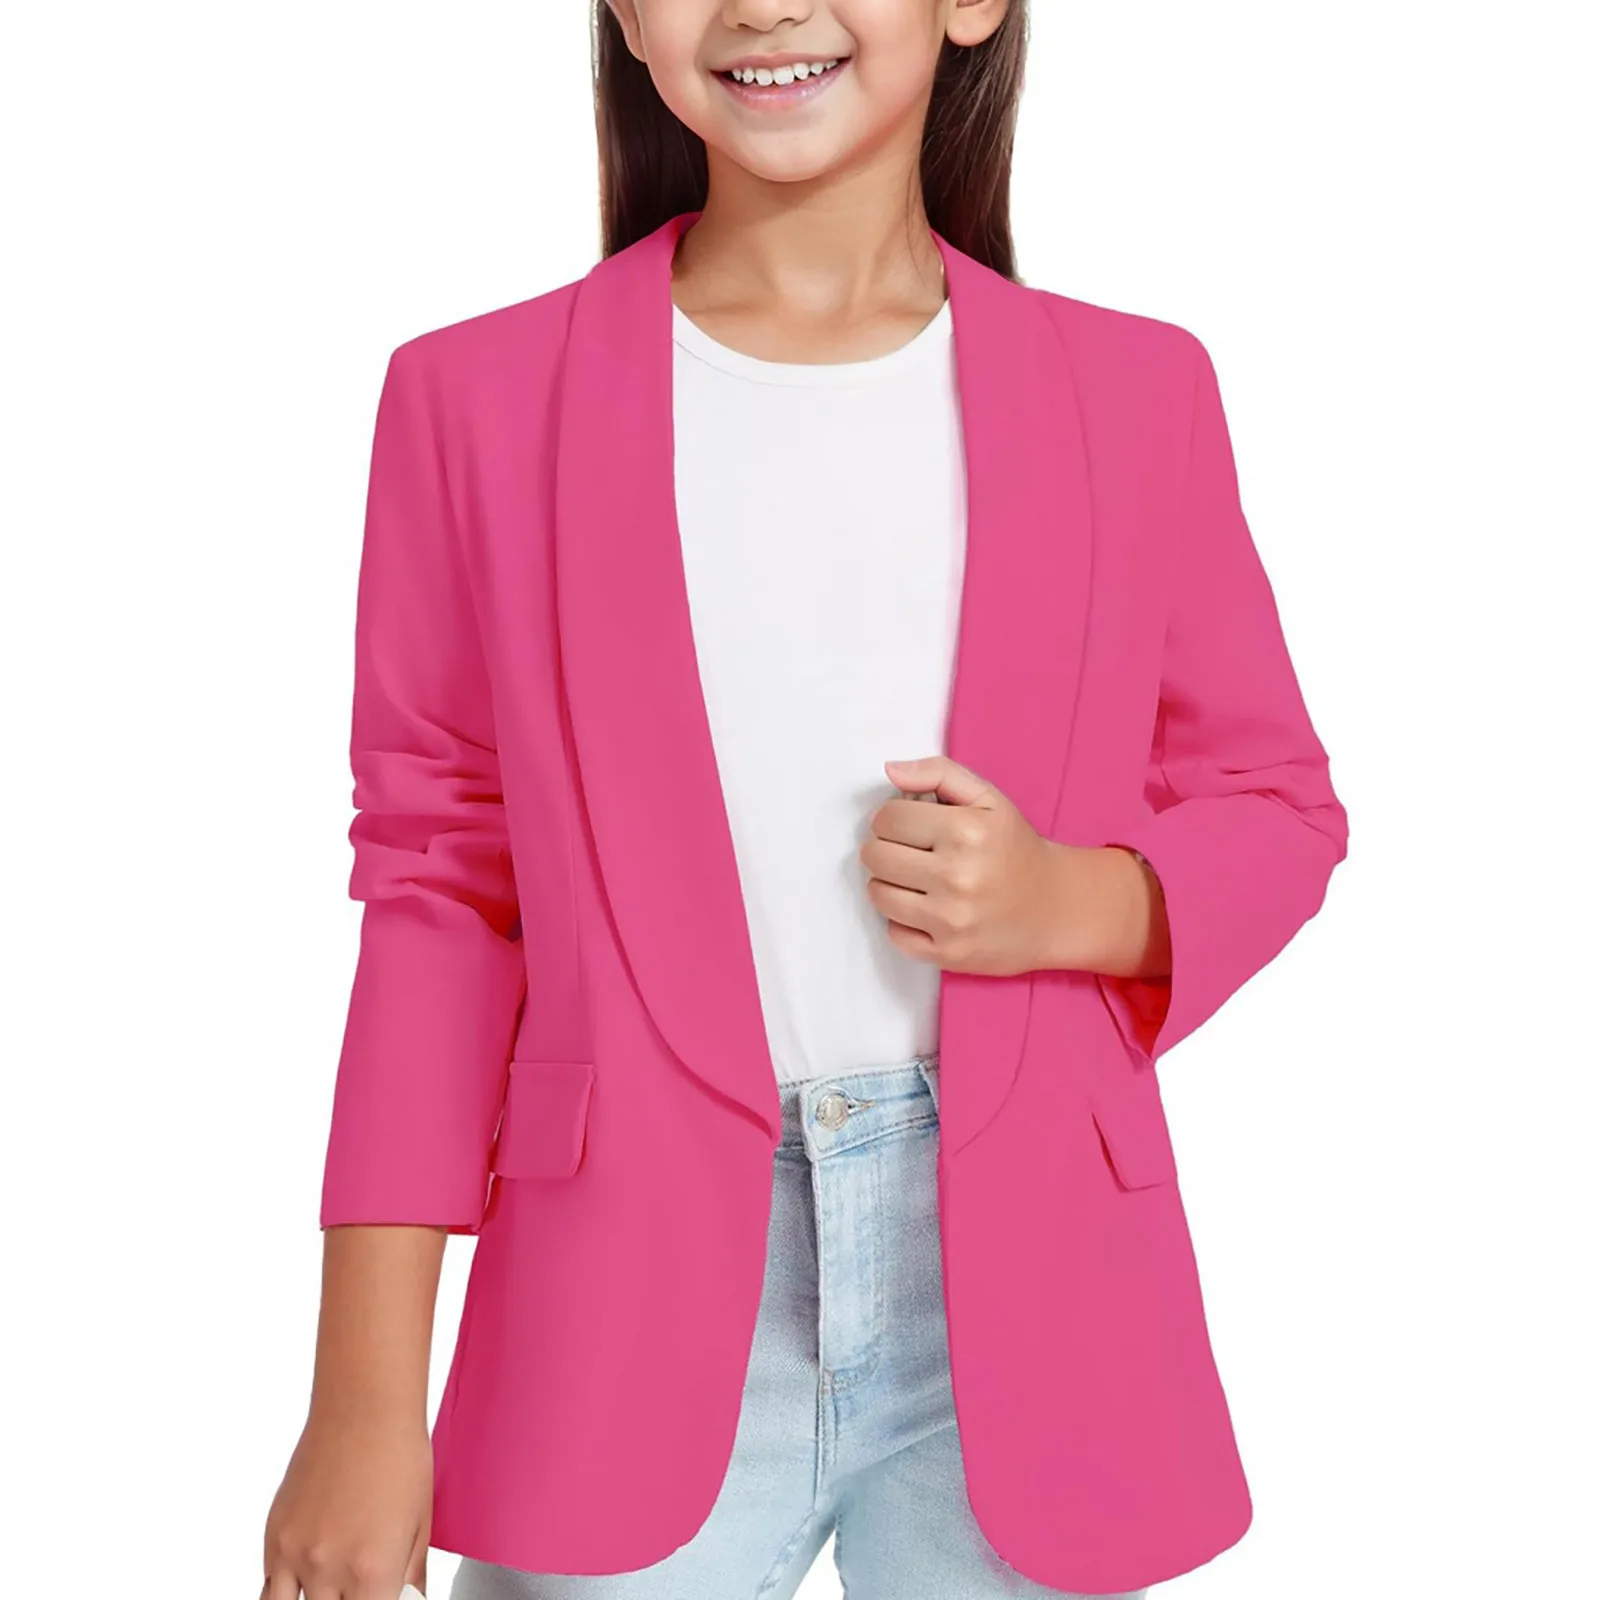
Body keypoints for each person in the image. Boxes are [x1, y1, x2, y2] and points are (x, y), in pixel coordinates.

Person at [261, 2, 1350, 1596]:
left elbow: (1272, 802)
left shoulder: (1135, 393)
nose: (764, 6)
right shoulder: (474, 400)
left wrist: (1070, 901)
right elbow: (438, 896)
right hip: (615, 1300)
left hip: (1031, 1306)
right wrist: (362, 1398)